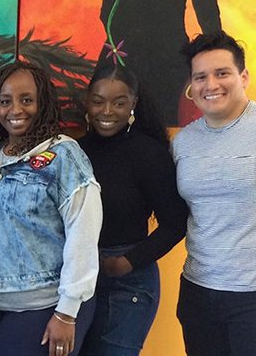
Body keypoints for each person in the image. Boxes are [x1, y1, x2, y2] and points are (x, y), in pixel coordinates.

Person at [0, 61, 102, 356]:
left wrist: (67, 312)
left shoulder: (63, 154)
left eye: (27, 100)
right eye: (5, 101)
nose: (15, 110)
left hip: (41, 305)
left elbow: (83, 234)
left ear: (43, 104)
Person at [77, 64, 188, 355]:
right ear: (87, 101)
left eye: (119, 102)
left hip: (127, 283)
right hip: (76, 279)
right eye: (99, 101)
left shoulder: (149, 153)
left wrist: (125, 262)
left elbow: (175, 223)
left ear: (133, 104)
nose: (107, 111)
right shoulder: (73, 151)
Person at [173, 31, 256, 355]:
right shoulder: (183, 143)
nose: (211, 85)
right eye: (200, 77)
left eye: (222, 73)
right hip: (198, 292)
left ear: (243, 77)